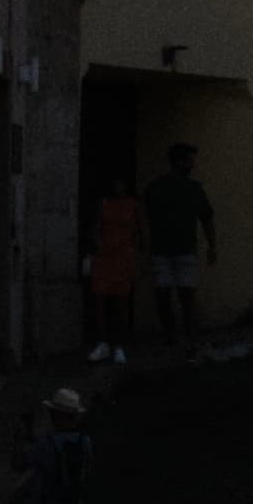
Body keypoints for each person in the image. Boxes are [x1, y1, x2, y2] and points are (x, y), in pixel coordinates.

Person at [140, 143, 217, 358]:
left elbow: (207, 218)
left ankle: (182, 338)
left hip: (176, 250)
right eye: (191, 160)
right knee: (178, 296)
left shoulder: (162, 188)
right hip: (170, 250)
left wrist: (212, 245)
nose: (194, 164)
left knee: (174, 296)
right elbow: (207, 219)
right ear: (180, 162)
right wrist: (212, 246)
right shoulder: (185, 189)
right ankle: (177, 337)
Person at [84, 176, 146, 362]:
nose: (117, 186)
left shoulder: (133, 205)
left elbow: (140, 232)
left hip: (124, 257)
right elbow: (95, 228)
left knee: (121, 303)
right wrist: (96, 244)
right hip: (104, 257)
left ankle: (119, 345)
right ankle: (102, 343)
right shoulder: (103, 204)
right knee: (100, 301)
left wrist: (140, 258)